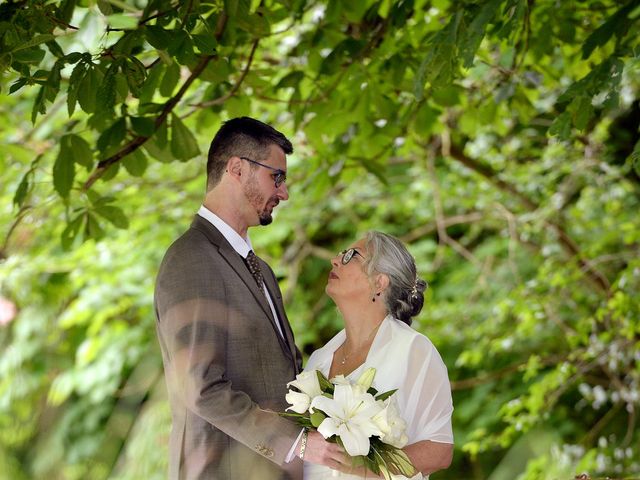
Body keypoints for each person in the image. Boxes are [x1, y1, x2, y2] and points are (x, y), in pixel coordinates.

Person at [154, 117, 340, 479]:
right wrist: (296, 442)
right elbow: (201, 387)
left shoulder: (262, 270)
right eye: (277, 177)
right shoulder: (191, 258)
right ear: (237, 169)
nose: (283, 193)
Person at [302, 231, 454, 479]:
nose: (335, 260)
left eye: (351, 255)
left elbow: (439, 451)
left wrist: (357, 466)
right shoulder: (319, 359)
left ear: (379, 282)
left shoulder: (413, 350)